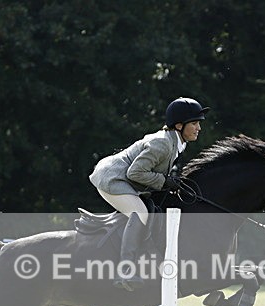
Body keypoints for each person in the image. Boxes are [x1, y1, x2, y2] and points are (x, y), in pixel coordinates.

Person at [89, 97, 209, 290]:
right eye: (194, 123)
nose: (198, 128)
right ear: (179, 125)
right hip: (112, 179)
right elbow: (134, 173)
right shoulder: (162, 143)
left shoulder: (176, 142)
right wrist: (164, 181)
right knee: (141, 214)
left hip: (123, 179)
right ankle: (125, 271)